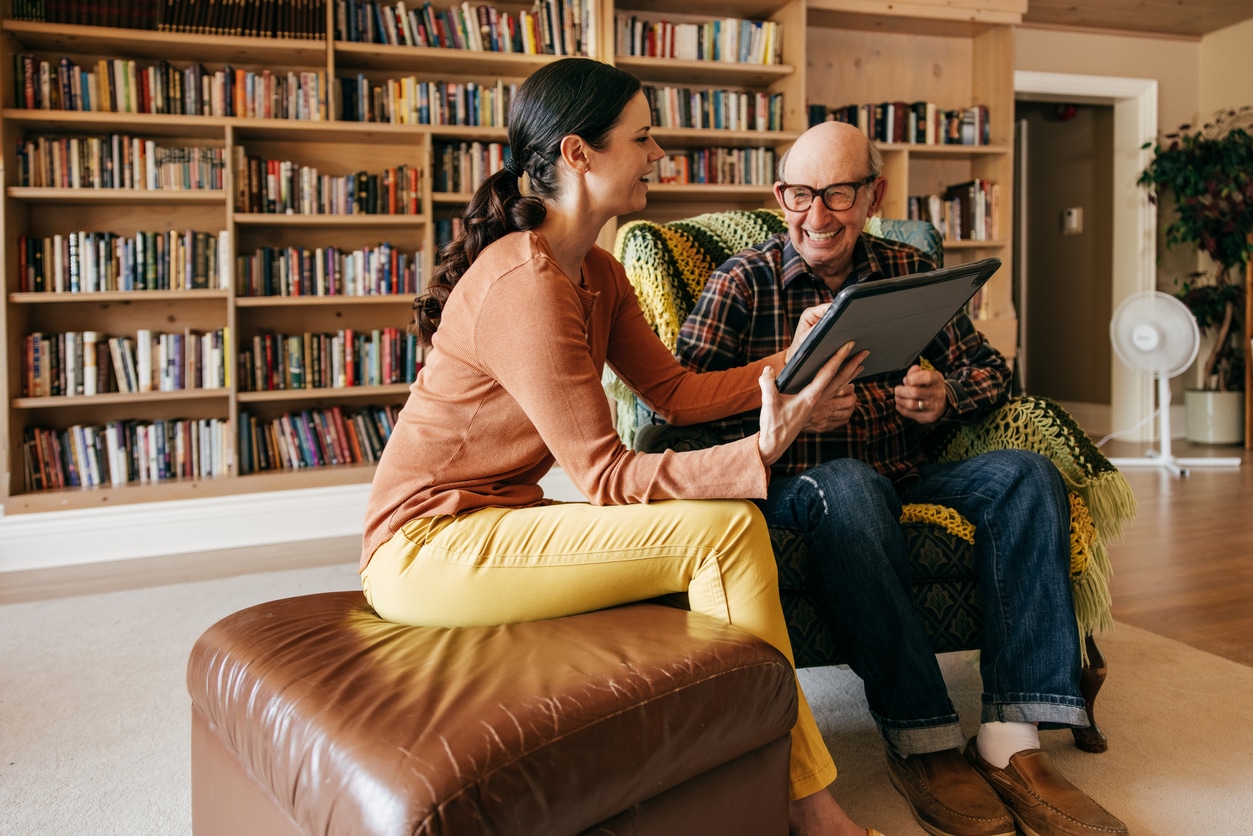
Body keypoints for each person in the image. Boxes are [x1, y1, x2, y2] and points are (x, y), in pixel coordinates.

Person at [360, 58, 884, 836]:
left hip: (495, 521)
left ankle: (745, 778)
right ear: (578, 155)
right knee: (725, 530)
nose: (657, 156)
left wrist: (791, 361)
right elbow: (604, 475)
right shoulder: (525, 282)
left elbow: (670, 393)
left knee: (725, 529)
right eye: (641, 139)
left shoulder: (595, 270)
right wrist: (765, 450)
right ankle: (809, 809)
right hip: (425, 548)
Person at [674, 120, 1129, 836]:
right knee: (850, 482)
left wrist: (945, 393)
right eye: (798, 194)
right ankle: (922, 738)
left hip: (906, 473)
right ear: (778, 192)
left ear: (872, 193)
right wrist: (784, 415)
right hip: (796, 489)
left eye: (836, 194)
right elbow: (678, 418)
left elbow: (991, 371)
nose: (815, 216)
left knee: (1026, 476)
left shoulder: (905, 270)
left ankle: (1012, 737)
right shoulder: (740, 281)